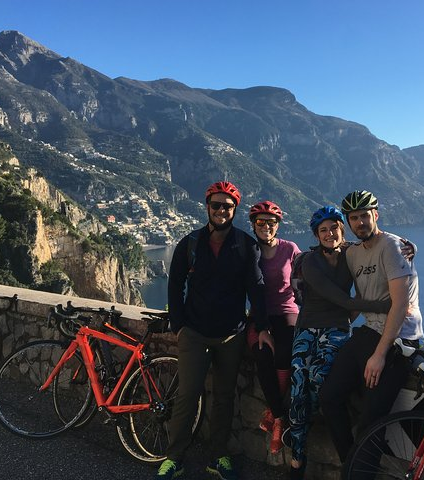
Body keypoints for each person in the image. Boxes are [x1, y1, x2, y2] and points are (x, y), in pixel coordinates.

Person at [157, 181, 267, 480]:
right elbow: (175, 284)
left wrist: (263, 326)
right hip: (194, 332)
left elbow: (256, 288)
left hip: (231, 334)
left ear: (235, 210)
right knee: (187, 396)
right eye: (216, 205)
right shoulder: (190, 243)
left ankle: (218, 457)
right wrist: (178, 325)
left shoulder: (246, 245)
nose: (221, 210)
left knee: (224, 397)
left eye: (227, 206)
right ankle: (174, 458)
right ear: (207, 207)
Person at [286, 206, 391, 479]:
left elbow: (379, 251)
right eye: (323, 230)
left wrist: (407, 247)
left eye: (334, 227)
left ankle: (330, 439)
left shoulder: (352, 255)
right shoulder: (310, 262)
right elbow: (343, 299)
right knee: (298, 383)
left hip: (336, 328)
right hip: (307, 326)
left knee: (320, 377)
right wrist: (383, 306)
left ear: (341, 229)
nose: (329, 233)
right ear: (316, 234)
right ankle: (298, 455)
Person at [319, 190, 424, 463]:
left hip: (400, 339)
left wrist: (379, 355)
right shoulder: (353, 253)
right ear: (348, 222)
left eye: (365, 215)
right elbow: (359, 298)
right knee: (329, 397)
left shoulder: (392, 246)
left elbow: (399, 305)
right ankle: (350, 464)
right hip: (369, 331)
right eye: (354, 218)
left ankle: (358, 470)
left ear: (375, 215)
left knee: (371, 421)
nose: (360, 222)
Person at [245, 201, 301, 454]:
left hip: (287, 311)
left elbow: (315, 263)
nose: (266, 226)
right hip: (260, 315)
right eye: (260, 222)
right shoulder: (248, 251)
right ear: (253, 225)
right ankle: (280, 417)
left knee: (285, 353)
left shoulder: (289, 249)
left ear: (278, 225)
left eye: (271, 222)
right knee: (261, 353)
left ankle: (273, 414)